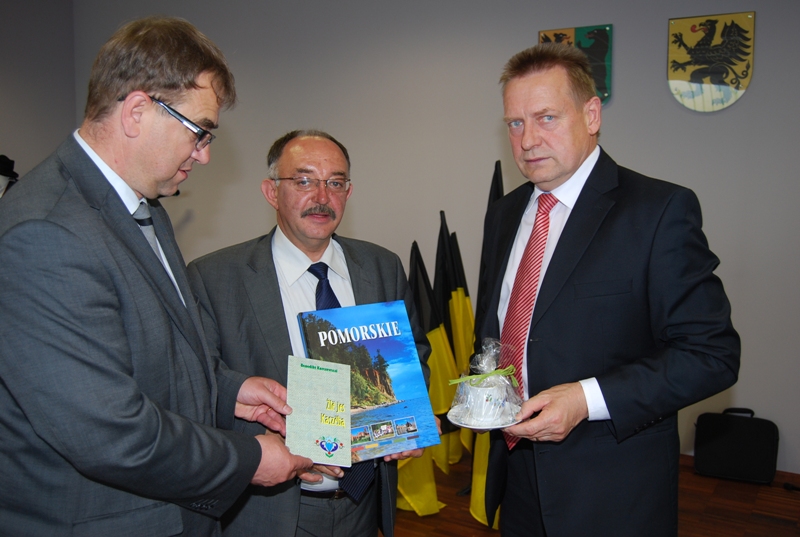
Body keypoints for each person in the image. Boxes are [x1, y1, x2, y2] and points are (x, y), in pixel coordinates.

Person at [0, 17, 314, 536]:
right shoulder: (44, 235)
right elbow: (110, 433)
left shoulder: (145, 208)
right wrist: (250, 459)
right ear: (137, 112)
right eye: (200, 131)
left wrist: (229, 390)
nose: (205, 154)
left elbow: (155, 355)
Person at [474, 43, 740, 536]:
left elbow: (712, 355)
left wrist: (585, 399)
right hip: (516, 478)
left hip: (612, 491)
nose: (528, 139)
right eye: (515, 123)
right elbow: (498, 331)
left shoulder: (658, 211)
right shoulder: (504, 214)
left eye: (546, 117)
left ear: (591, 114)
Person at [187, 129, 431, 537]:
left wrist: (407, 417)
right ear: (271, 191)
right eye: (303, 181)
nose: (321, 196)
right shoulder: (214, 278)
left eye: (335, 182)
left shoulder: (382, 266)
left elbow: (414, 353)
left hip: (364, 503)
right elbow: (198, 383)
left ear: (348, 192)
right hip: (269, 510)